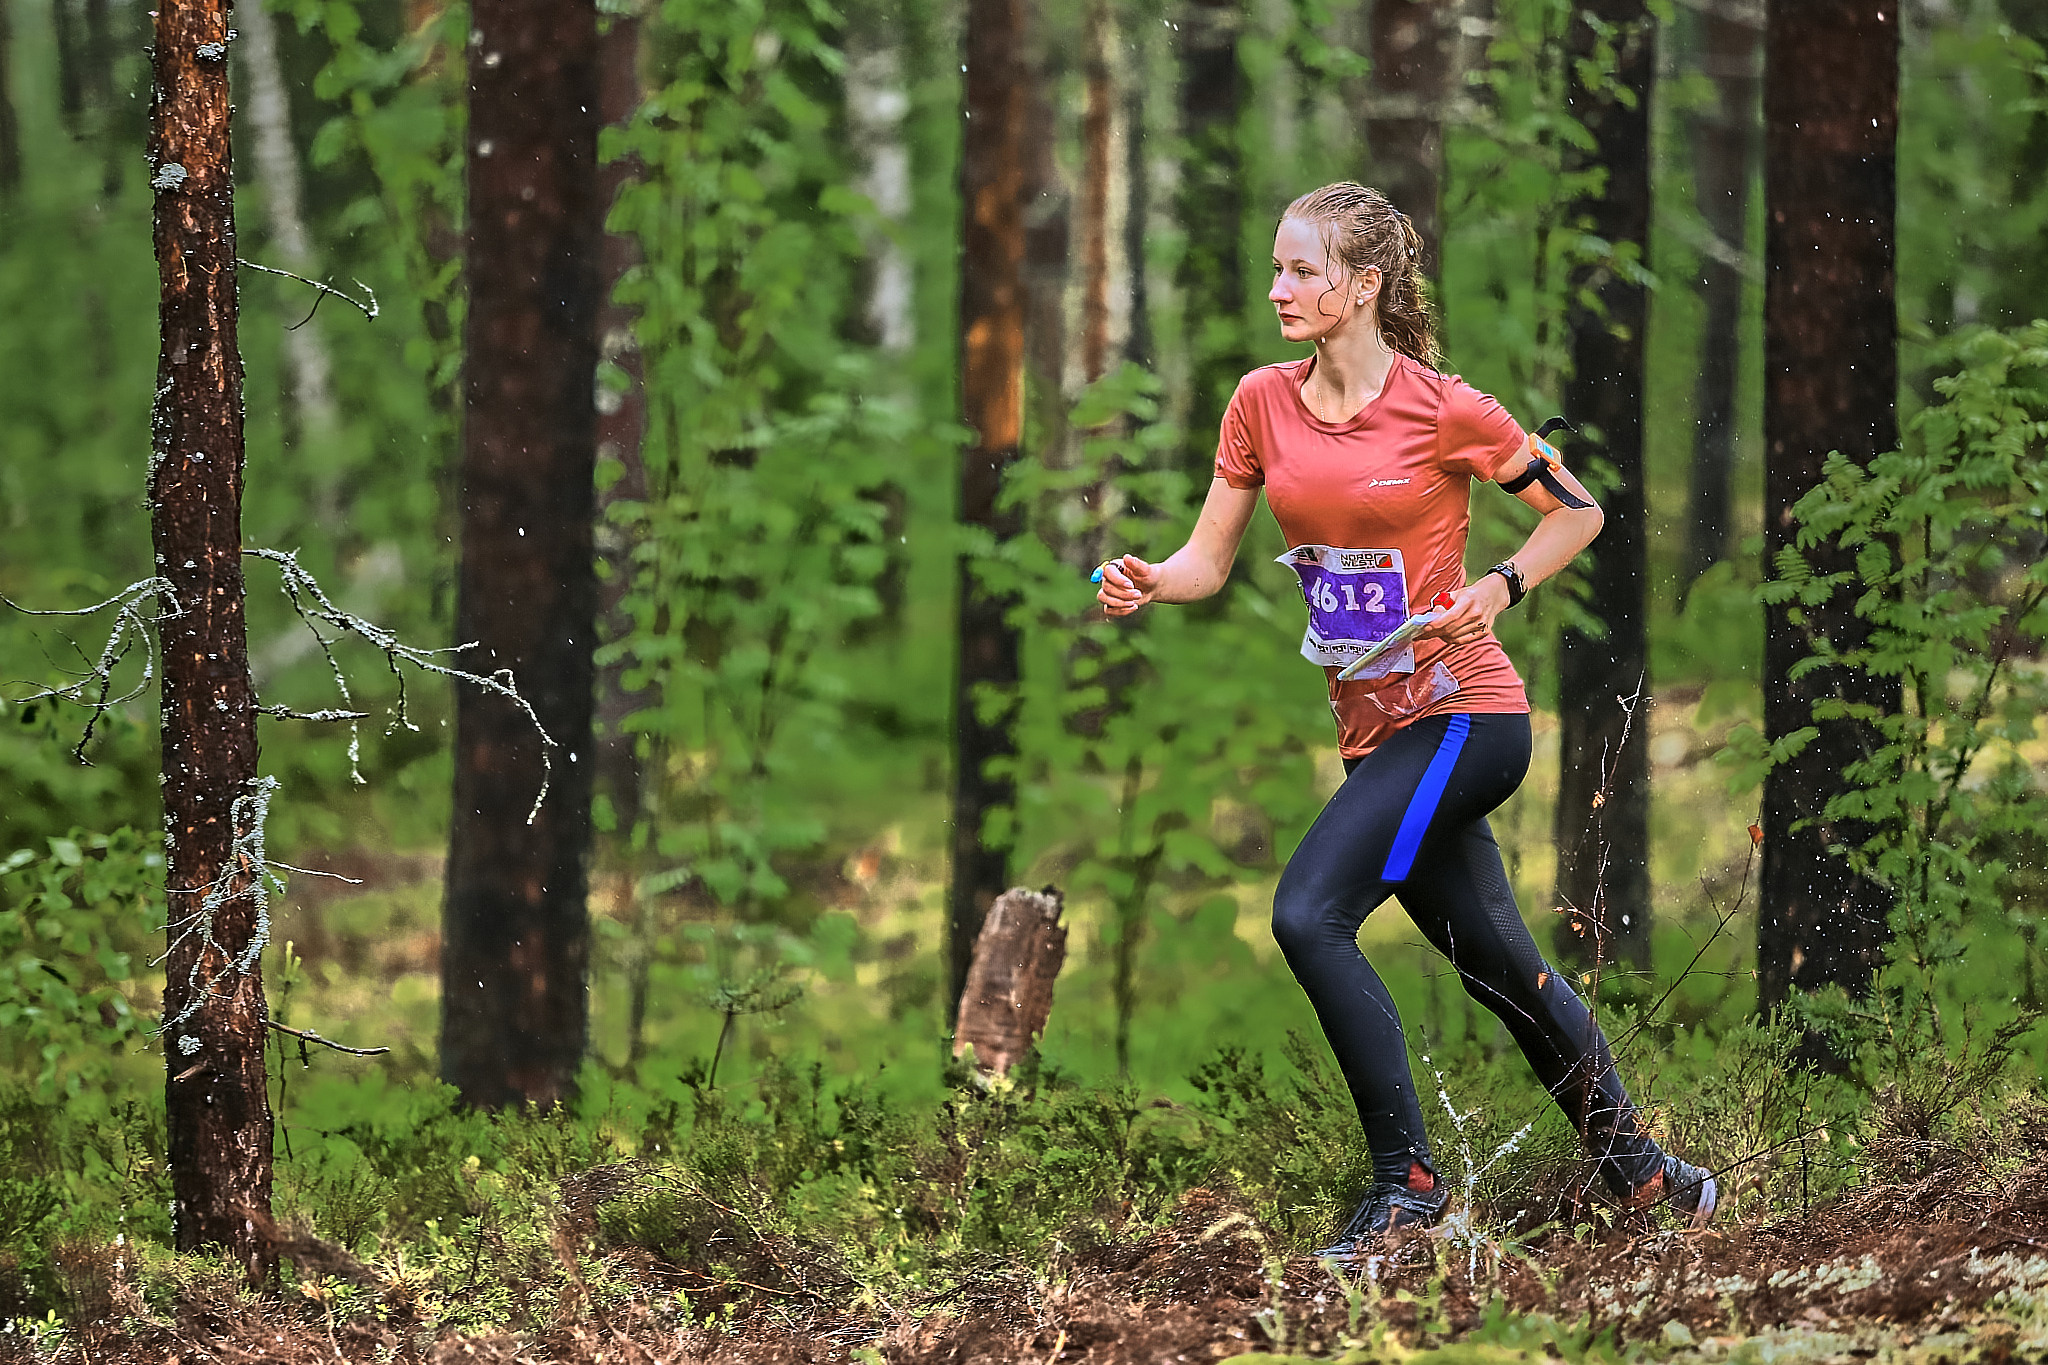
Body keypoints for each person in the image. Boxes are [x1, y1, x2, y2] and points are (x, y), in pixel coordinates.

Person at [1095, 183, 1715, 1259]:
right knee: (1496, 966)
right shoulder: (1259, 403)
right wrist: (1152, 578)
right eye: (1276, 267)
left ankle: (1409, 1185)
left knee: (1305, 914)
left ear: (1362, 285)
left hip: (1464, 717)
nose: (1278, 288)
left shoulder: (1442, 407)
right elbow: (1206, 559)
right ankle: (1649, 1177)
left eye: (1301, 271)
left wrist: (1496, 590)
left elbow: (1579, 510)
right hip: (1377, 737)